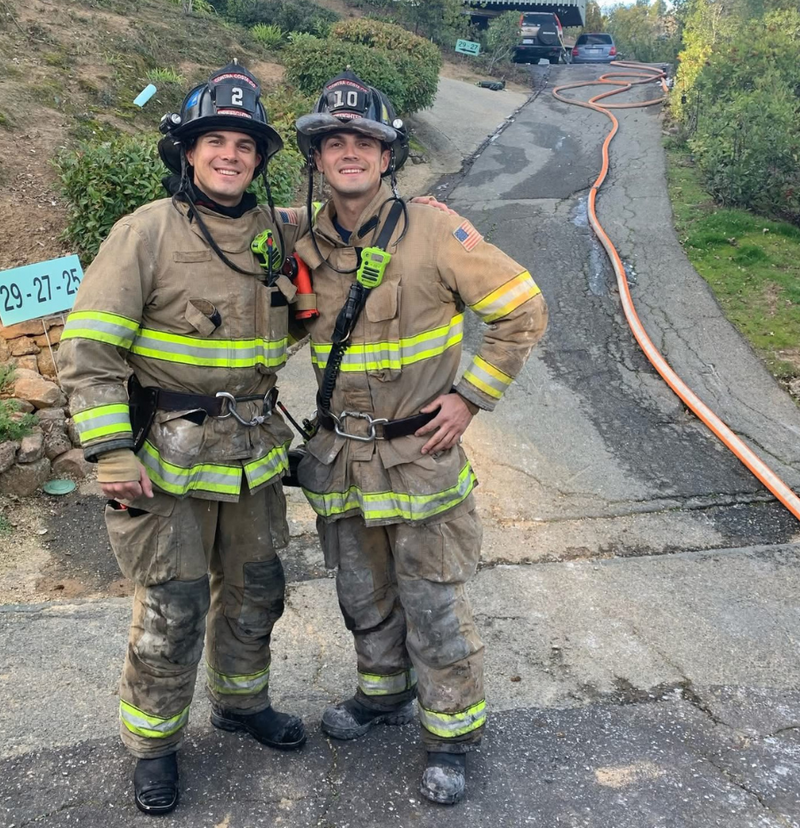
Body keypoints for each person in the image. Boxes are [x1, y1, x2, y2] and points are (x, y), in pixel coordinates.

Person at [57, 62, 311, 816]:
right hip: (165, 459)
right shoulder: (143, 233)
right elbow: (89, 352)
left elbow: (340, 230)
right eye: (214, 141)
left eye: (244, 144)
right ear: (188, 153)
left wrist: (414, 207)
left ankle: (240, 705)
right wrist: (108, 451)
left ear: (260, 160)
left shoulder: (274, 233)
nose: (230, 154)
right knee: (170, 609)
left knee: (259, 591)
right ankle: (154, 747)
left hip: (253, 454)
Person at [291, 70, 549, 805]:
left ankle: (451, 736)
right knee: (361, 595)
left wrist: (472, 397)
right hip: (342, 460)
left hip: (420, 461)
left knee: (432, 605)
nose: (349, 152)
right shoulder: (302, 239)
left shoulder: (436, 229)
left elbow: (523, 310)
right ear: (316, 158)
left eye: (364, 141)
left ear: (387, 156)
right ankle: (382, 696)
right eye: (334, 141)